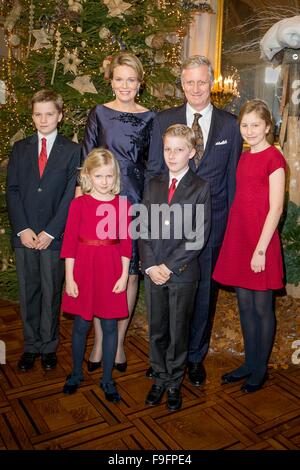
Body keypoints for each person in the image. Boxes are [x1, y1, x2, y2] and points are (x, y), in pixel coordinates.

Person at [146, 55, 243, 387]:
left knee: (202, 295)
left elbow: (231, 180)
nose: (196, 88)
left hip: (211, 228)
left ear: (212, 82)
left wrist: (230, 231)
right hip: (168, 229)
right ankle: (164, 357)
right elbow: (154, 174)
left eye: (203, 81)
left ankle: (194, 357)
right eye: (190, 82)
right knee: (165, 294)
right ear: (182, 84)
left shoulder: (230, 125)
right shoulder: (164, 120)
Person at [81, 52, 157, 373]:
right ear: (110, 81)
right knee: (102, 273)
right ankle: (101, 341)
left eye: (131, 80)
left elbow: (153, 166)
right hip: (101, 203)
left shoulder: (150, 118)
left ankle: (120, 342)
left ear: (139, 83)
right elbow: (86, 161)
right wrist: (82, 205)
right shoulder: (99, 113)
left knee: (129, 274)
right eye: (119, 79)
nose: (125, 85)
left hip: (136, 203)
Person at [213, 99, 286, 392]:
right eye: (245, 125)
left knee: (261, 307)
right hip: (239, 237)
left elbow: (276, 208)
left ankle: (260, 369)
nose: (250, 130)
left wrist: (260, 249)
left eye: (256, 125)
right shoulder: (243, 157)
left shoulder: (274, 158)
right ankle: (248, 362)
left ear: (267, 126)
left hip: (261, 241)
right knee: (244, 305)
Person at [6, 89, 81, 372]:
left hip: (53, 236)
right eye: (38, 114)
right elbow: (12, 190)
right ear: (32, 116)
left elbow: (69, 196)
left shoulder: (72, 151)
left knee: (51, 292)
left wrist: (51, 231)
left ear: (60, 116)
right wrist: (23, 229)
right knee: (29, 292)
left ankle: (49, 346)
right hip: (24, 236)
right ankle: (31, 345)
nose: (44, 119)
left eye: (50, 113)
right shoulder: (21, 148)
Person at [140, 124, 211, 411]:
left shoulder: (200, 187)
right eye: (167, 149)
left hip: (181, 273)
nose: (172, 155)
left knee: (178, 332)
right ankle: (158, 378)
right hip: (153, 271)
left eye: (179, 149)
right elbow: (142, 227)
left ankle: (173, 383)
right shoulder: (154, 183)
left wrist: (168, 266)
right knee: (157, 329)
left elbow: (198, 236)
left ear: (191, 152)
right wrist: (150, 264)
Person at [61, 148, 132, 401]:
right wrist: (70, 278)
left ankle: (107, 379)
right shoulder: (78, 204)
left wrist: (124, 275)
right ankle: (75, 373)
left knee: (110, 325)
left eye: (109, 176)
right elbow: (69, 243)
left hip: (111, 270)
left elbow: (126, 244)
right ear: (88, 176)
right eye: (99, 176)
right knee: (81, 325)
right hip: (82, 271)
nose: (104, 182)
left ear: (116, 177)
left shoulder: (122, 205)